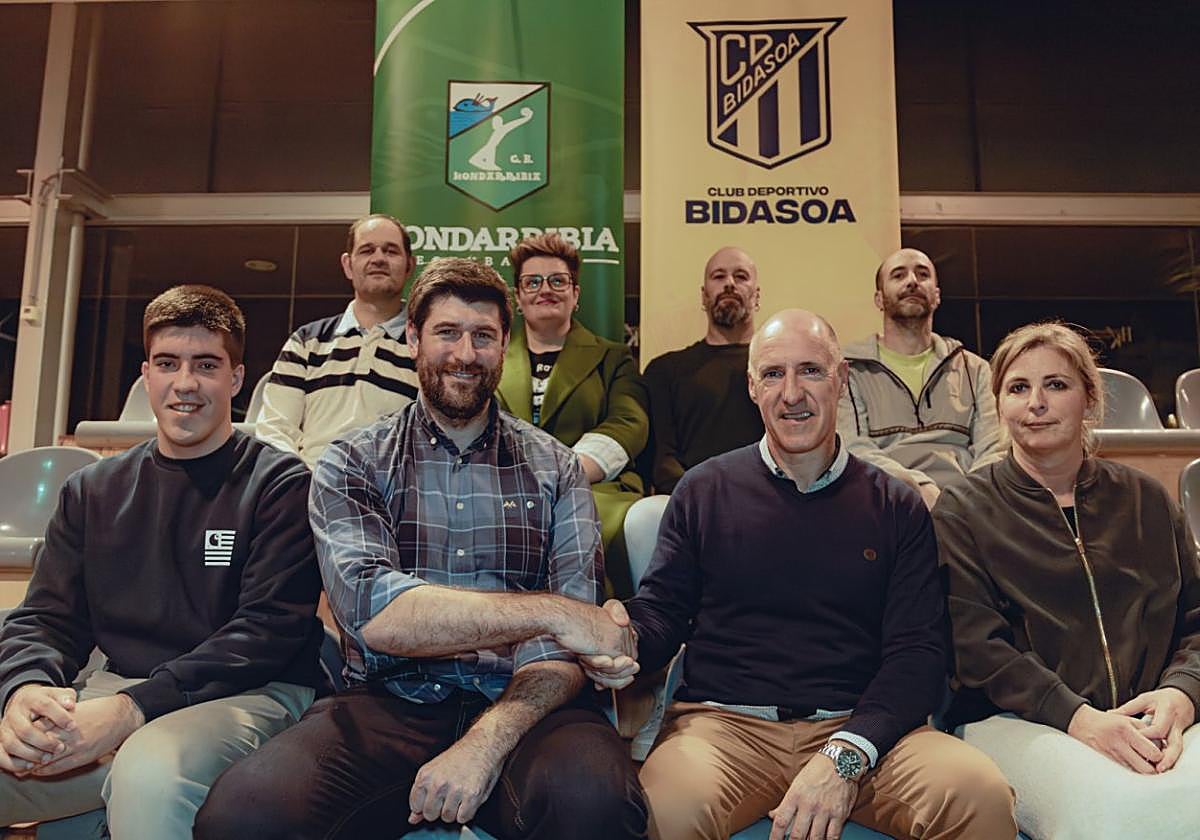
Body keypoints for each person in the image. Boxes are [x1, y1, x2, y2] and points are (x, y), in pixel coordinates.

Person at [194, 258, 647, 840]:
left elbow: (564, 649)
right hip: (388, 700)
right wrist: (555, 612)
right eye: (447, 333)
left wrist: (485, 743)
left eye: (483, 336)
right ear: (413, 338)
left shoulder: (556, 468)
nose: (465, 353)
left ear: (503, 345)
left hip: (527, 701)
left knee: (597, 804)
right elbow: (377, 616)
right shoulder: (353, 461)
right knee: (244, 815)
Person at [587, 309, 1016, 840]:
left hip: (864, 732)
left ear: (842, 380)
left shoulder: (897, 506)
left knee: (980, 797)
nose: (792, 393)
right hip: (724, 730)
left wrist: (847, 755)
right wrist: (623, 633)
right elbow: (663, 614)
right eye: (773, 374)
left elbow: (918, 655)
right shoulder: (702, 491)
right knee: (661, 814)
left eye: (811, 370)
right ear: (752, 387)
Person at [0, 285, 323, 839]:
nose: (185, 383)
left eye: (206, 365)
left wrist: (131, 710)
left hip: (251, 693)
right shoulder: (92, 490)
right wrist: (26, 688)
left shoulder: (280, 485)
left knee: (149, 774)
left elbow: (266, 633)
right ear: (146, 375)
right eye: (168, 364)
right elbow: (47, 618)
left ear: (236, 379)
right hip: (117, 687)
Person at [934, 321, 1200, 839]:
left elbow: (1196, 619)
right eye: (1018, 388)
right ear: (999, 405)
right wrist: (1079, 718)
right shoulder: (962, 510)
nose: (1036, 403)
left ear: (1089, 399)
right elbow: (975, 649)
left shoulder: (1147, 500)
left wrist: (1182, 693)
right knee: (1123, 814)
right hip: (1017, 722)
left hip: (1154, 716)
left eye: (1056, 385)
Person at [496, 232, 649, 596]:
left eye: (558, 281)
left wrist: (565, 473)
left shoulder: (613, 357)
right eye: (532, 282)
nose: (545, 290)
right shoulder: (491, 360)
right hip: (506, 490)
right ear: (518, 297)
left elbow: (629, 422)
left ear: (576, 294)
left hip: (597, 491)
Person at [838, 247, 1004, 509]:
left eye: (922, 274)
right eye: (898, 275)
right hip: (887, 504)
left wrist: (966, 499)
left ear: (936, 296)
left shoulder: (976, 369)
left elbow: (993, 448)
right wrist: (918, 487)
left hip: (968, 506)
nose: (912, 281)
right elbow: (853, 448)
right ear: (879, 299)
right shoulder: (849, 370)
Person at [255, 213, 420, 467]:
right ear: (347, 265)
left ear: (410, 265)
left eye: (390, 251)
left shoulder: (426, 348)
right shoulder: (306, 343)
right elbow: (274, 431)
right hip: (309, 483)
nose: (378, 258)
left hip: (393, 488)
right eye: (367, 250)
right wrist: (300, 483)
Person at [642, 245, 764, 494]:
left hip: (767, 498)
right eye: (718, 276)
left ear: (757, 296)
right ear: (703, 295)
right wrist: (698, 498)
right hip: (688, 500)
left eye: (741, 276)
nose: (729, 283)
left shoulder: (779, 369)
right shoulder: (664, 371)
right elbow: (662, 459)